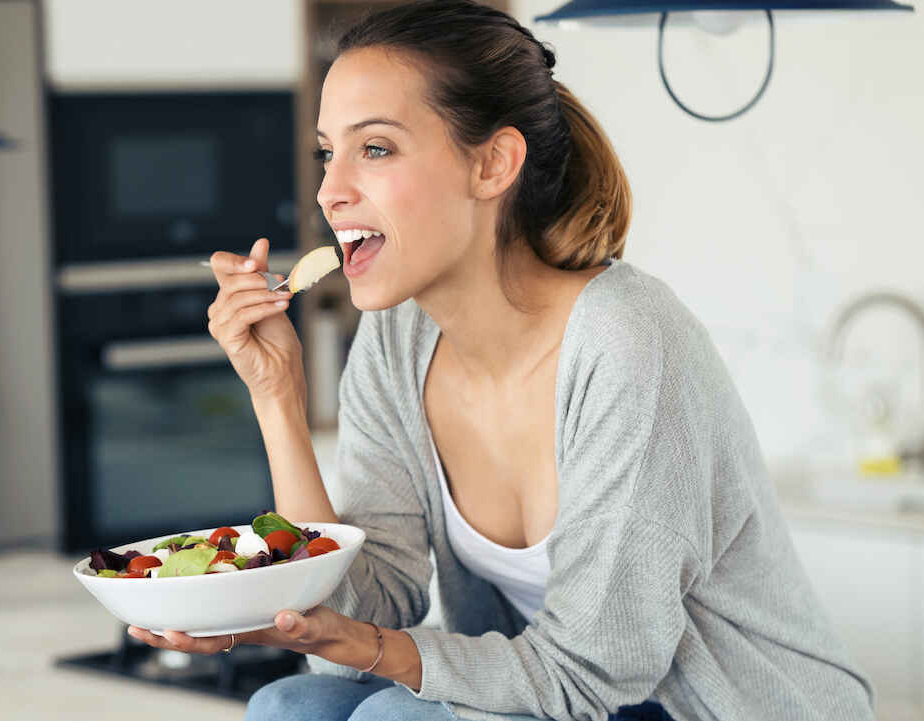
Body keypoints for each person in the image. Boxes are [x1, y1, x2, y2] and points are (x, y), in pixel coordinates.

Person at [125, 2, 875, 719]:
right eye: (328, 152)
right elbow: (356, 622)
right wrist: (277, 396)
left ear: (493, 166)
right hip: (570, 698)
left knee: (396, 715)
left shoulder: (628, 342)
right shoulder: (398, 342)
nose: (330, 190)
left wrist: (367, 644)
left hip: (707, 708)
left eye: (374, 148)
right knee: (287, 705)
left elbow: (593, 668)